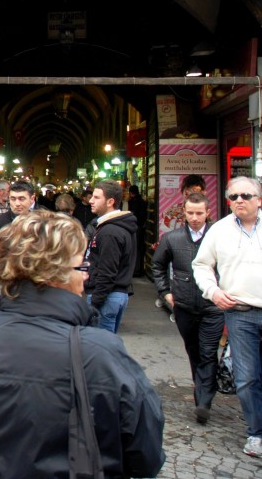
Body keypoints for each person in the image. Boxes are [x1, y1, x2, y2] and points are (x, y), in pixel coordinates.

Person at [0, 210, 165, 479]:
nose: (86, 275)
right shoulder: (100, 353)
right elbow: (146, 456)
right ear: (52, 274)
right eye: (81, 266)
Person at [192, 176, 262, 458]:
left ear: (259, 199)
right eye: (233, 197)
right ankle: (256, 432)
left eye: (245, 195)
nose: (239, 201)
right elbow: (201, 265)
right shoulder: (219, 230)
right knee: (246, 378)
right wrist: (212, 291)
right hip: (240, 313)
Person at [151, 192, 222, 424]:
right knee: (194, 350)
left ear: (208, 213)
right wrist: (165, 292)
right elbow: (158, 265)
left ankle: (203, 401)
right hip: (183, 305)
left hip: (213, 305)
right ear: (184, 212)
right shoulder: (173, 238)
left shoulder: (218, 236)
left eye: (199, 213)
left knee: (209, 352)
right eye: (190, 213)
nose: (194, 218)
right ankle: (201, 391)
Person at [86, 179, 138, 333]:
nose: (91, 200)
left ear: (110, 201)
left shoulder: (110, 232)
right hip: (115, 295)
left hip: (106, 297)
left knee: (100, 350)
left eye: (96, 197)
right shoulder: (116, 227)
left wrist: (95, 302)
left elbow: (107, 271)